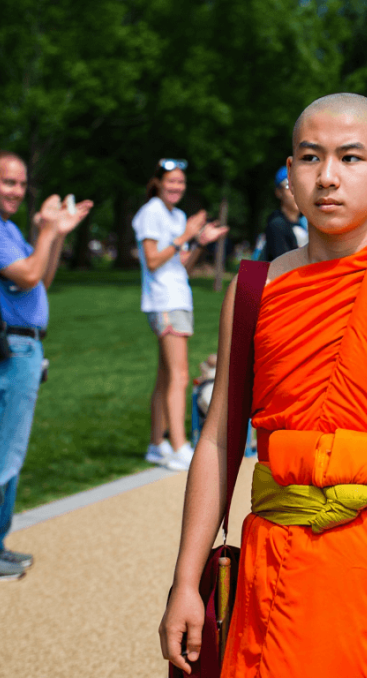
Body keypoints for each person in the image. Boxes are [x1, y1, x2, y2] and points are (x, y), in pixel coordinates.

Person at [160, 94, 367, 678]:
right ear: (290, 171)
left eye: (350, 157)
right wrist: (185, 582)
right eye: (310, 157)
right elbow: (218, 440)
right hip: (277, 561)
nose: (327, 177)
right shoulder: (255, 289)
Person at [0, 150, 93, 582]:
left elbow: (40, 277)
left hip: (17, 348)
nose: (17, 191)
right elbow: (27, 276)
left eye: (22, 184)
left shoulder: (4, 226)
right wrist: (45, 229)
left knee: (7, 454)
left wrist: (56, 234)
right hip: (0, 349)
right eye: (8, 182)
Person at [134, 159, 228, 470]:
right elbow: (152, 261)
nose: (177, 187)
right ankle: (178, 446)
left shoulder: (176, 216)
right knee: (180, 375)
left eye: (181, 182)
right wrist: (185, 235)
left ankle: (156, 444)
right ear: (158, 183)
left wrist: (198, 242)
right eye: (171, 181)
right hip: (164, 301)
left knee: (165, 377)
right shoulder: (151, 213)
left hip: (178, 297)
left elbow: (181, 265)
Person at [260, 166, 307, 261]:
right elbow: (285, 266)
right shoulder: (276, 225)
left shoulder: (306, 224)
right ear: (278, 192)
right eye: (289, 186)